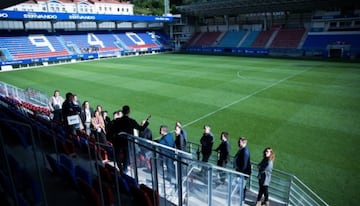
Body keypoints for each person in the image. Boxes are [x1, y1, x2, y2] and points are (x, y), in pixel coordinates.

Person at [111, 105, 151, 173]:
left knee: (118, 155)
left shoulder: (118, 121)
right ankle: (124, 170)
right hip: (127, 142)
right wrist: (147, 121)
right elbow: (141, 128)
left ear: (123, 112)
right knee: (127, 156)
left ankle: (121, 169)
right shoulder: (131, 121)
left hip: (118, 141)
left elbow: (113, 130)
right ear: (129, 112)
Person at [234, 137, 251, 202]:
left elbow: (244, 164)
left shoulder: (245, 151)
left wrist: (240, 172)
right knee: (241, 185)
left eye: (239, 142)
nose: (238, 143)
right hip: (241, 171)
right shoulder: (242, 149)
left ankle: (241, 199)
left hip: (242, 172)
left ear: (243, 143)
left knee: (242, 186)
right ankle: (241, 198)